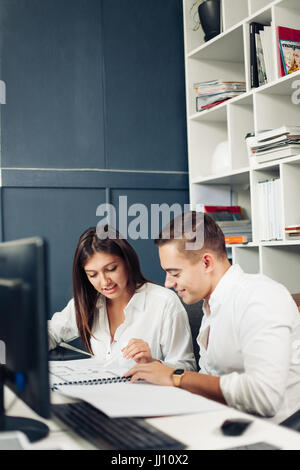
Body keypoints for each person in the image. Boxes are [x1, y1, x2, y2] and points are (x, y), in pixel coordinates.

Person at [124, 211, 300, 424]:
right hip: (225, 422)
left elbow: (264, 397)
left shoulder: (260, 296)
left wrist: (176, 377)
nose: (168, 283)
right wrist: (157, 371)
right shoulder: (211, 306)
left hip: (276, 433)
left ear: (206, 263)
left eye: (175, 273)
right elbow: (208, 380)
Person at [48, 225, 196, 372]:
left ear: (127, 262)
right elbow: (50, 332)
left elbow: (187, 369)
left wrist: (152, 363)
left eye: (111, 269)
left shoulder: (164, 303)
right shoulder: (87, 303)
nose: (105, 281)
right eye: (93, 275)